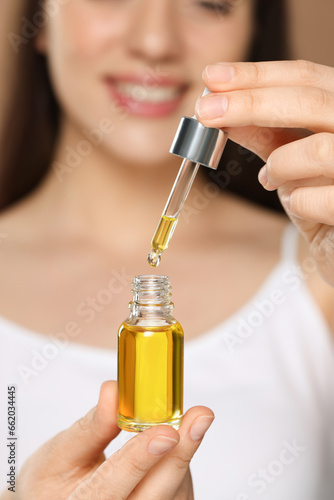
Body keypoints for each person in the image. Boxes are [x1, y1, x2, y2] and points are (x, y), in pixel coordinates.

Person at [0, 0, 333, 498]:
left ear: (253, 32)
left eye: (209, 2)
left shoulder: (319, 277)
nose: (155, 42)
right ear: (41, 20)